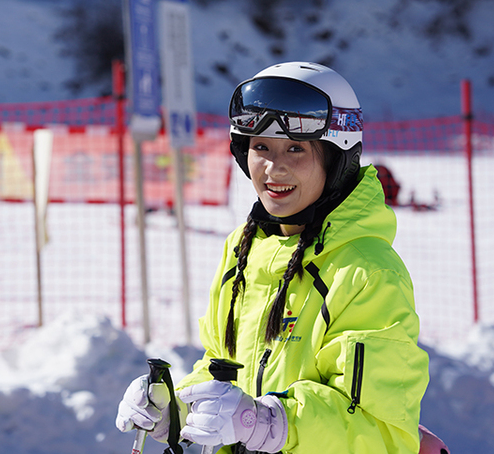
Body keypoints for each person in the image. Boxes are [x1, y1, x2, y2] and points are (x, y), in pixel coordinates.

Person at [116, 62, 431, 454]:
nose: (272, 167)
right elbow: (221, 367)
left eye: (295, 149)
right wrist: (176, 409)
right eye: (260, 147)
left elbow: (384, 435)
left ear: (337, 160)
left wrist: (271, 423)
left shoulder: (367, 272)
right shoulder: (244, 251)